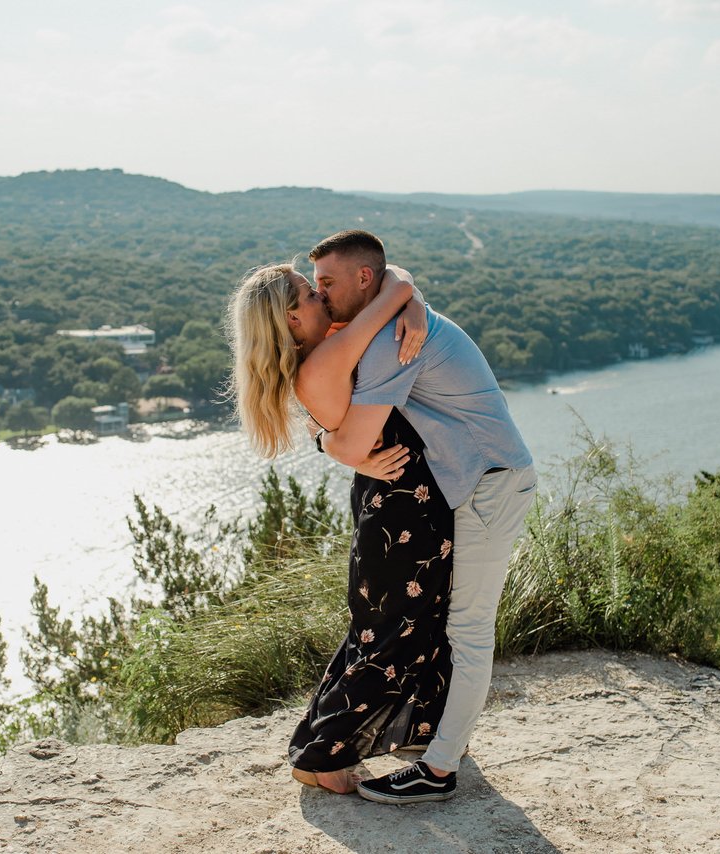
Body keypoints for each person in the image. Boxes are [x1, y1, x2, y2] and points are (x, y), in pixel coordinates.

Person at [309, 229, 536, 805]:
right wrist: (404, 290)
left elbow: (355, 440)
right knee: (448, 626)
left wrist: (324, 442)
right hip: (477, 483)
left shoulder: (392, 341)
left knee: (469, 631)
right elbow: (393, 276)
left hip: (488, 485)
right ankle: (438, 742)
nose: (321, 295)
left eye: (328, 283)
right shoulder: (391, 316)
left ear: (365, 280)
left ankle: (439, 771)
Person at [226, 261, 456, 796]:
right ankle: (322, 756)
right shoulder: (333, 350)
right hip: (404, 510)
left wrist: (411, 305)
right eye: (311, 293)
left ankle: (391, 736)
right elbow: (391, 283)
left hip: (392, 502)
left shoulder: (318, 351)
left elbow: (386, 282)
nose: (322, 299)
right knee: (395, 633)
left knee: (387, 629)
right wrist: (410, 300)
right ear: (289, 316)